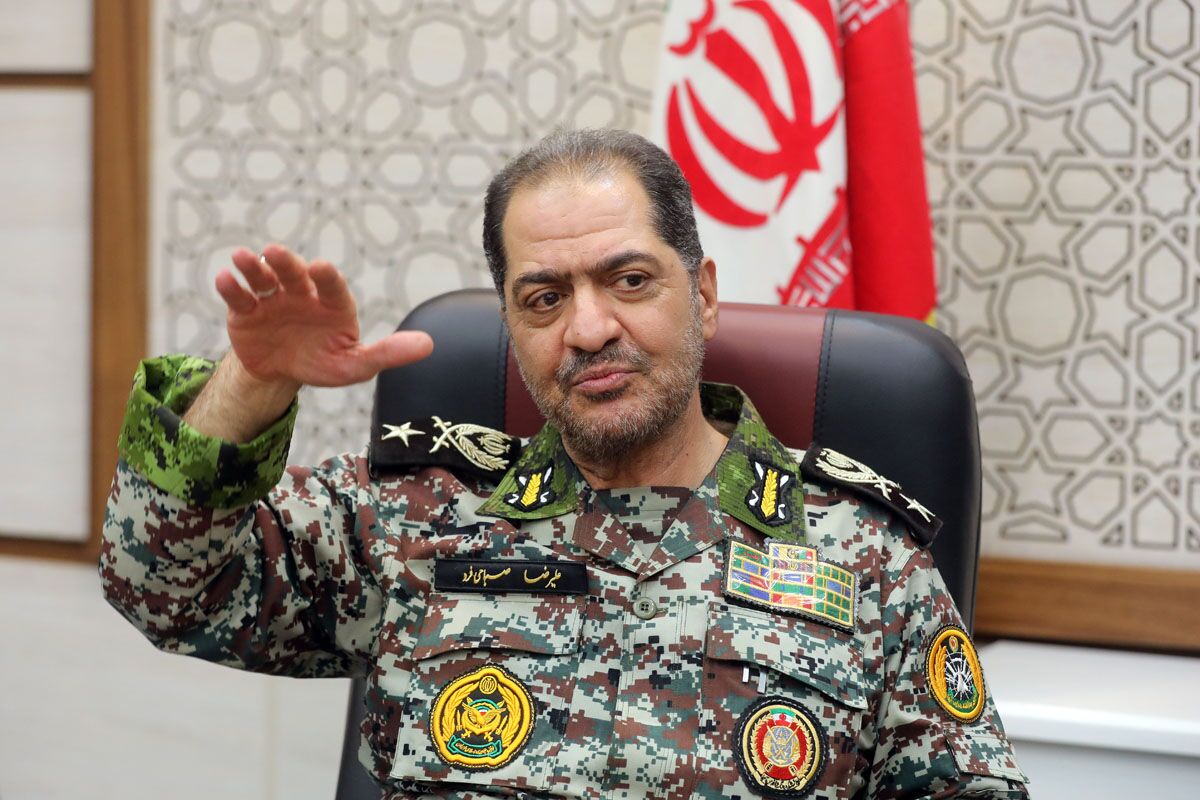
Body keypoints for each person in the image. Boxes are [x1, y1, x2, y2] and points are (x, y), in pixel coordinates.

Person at [102, 129, 1028, 799]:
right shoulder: (413, 518)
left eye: (630, 280)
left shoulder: (867, 559)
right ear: (513, 325)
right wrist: (253, 382)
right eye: (544, 298)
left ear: (704, 295)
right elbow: (162, 587)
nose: (588, 328)